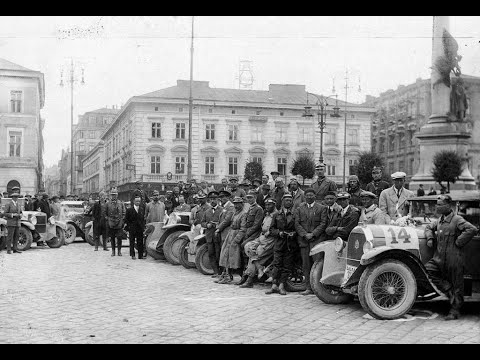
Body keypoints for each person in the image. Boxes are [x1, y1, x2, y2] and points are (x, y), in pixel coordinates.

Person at [424, 194, 478, 320]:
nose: (437, 207)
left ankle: (454, 311)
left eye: (439, 204)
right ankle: (448, 289)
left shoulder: (457, 219)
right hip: (439, 259)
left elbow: (472, 229)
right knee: (427, 270)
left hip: (454, 259)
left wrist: (459, 241)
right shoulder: (440, 219)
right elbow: (428, 227)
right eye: (437, 204)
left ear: (448, 206)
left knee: (457, 285)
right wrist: (430, 238)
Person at [295, 188, 328, 295]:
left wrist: (313, 234)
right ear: (304, 197)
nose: (309, 197)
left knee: (317, 264)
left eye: (311, 195)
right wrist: (305, 234)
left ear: (315, 196)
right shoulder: (300, 208)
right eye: (307, 195)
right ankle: (308, 287)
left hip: (317, 240)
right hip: (304, 241)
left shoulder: (322, 208)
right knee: (306, 264)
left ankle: (318, 287)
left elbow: (323, 223)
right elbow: (297, 223)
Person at [240, 198, 278, 288]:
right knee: (247, 246)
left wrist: (271, 232)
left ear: (274, 205)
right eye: (266, 205)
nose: (267, 207)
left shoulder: (277, 215)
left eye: (270, 205)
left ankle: (249, 279)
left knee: (256, 253)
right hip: (262, 237)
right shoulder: (267, 214)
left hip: (270, 240)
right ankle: (259, 269)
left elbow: (278, 229)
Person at [266, 193, 298, 295]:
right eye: (286, 200)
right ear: (282, 202)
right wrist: (279, 233)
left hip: (290, 243)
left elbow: (298, 227)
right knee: (277, 264)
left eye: (290, 200)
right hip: (279, 242)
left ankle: (282, 285)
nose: (288, 202)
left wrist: (294, 233)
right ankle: (274, 285)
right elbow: (271, 229)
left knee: (287, 265)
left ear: (292, 202)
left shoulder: (295, 214)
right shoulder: (277, 215)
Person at [235, 189, 265, 286]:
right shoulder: (249, 208)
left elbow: (257, 224)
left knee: (245, 247)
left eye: (251, 197)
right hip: (248, 233)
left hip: (255, 234)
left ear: (255, 198)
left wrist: (247, 233)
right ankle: (245, 275)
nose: (249, 199)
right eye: (247, 197)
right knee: (241, 250)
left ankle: (249, 276)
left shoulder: (258, 209)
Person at [217, 197, 247, 284]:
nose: (236, 206)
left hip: (237, 236)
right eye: (235, 204)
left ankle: (242, 277)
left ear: (242, 204)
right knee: (225, 255)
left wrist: (236, 240)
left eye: (238, 204)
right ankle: (227, 275)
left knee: (235, 257)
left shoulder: (243, 214)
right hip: (230, 234)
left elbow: (243, 229)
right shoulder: (234, 213)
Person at [201, 191, 224, 277]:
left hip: (218, 235)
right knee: (211, 253)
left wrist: (218, 225)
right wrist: (207, 225)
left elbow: (225, 221)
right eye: (211, 199)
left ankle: (221, 272)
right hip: (209, 236)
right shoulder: (207, 211)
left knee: (219, 254)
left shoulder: (222, 210)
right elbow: (202, 222)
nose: (212, 201)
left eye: (214, 199)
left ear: (218, 200)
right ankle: (215, 271)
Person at [214, 190, 235, 282]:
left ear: (228, 197)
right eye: (220, 198)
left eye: (223, 197)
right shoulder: (224, 207)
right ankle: (224, 274)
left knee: (226, 254)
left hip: (227, 232)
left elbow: (227, 220)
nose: (221, 199)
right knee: (223, 254)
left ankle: (228, 275)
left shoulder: (230, 206)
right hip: (223, 233)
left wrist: (218, 228)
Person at [104, 188, 126, 257]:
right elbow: (104, 213)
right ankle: (113, 251)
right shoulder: (107, 204)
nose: (114, 196)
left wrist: (122, 220)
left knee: (119, 238)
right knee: (112, 238)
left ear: (117, 195)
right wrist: (108, 219)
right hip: (111, 223)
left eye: (115, 195)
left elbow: (124, 212)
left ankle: (119, 251)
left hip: (119, 223)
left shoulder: (121, 203)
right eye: (112, 195)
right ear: (110, 196)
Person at [3, 187, 23, 254]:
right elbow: (5, 213)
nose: (16, 198)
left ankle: (15, 249)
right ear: (12, 197)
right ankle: (8, 250)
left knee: (16, 236)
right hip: (11, 223)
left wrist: (20, 215)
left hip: (17, 223)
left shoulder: (19, 204)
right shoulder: (8, 204)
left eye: (17, 197)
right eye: (15, 197)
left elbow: (20, 212)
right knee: (10, 237)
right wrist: (12, 215)